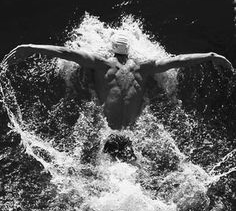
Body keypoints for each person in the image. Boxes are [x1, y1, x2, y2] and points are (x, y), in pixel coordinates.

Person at [1, 31, 234, 130]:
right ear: (129, 50)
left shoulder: (101, 63)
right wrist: (210, 56)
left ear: (112, 49)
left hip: (108, 134)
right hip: (131, 134)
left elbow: (66, 52)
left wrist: (31, 47)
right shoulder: (145, 68)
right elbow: (179, 60)